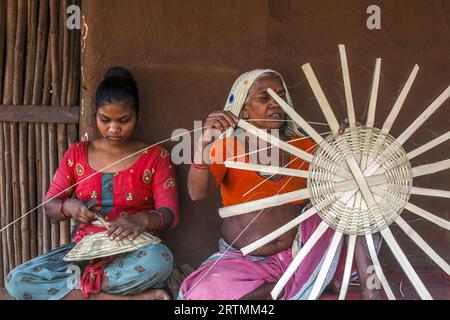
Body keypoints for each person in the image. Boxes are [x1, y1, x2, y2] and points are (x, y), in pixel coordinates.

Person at [179, 69, 382, 300]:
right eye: (264, 98)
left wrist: (347, 146)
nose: (275, 104)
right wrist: (205, 142)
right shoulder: (226, 148)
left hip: (298, 254)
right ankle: (293, 286)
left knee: (357, 199)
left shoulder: (305, 147)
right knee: (205, 292)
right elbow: (196, 193)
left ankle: (366, 290)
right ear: (243, 109)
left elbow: (347, 182)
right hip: (242, 261)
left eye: (280, 97)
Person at [5, 67, 179, 300]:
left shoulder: (155, 156)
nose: (113, 128)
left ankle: (81, 296)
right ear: (95, 115)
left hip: (133, 254)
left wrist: (142, 219)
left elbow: (170, 214)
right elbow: (50, 205)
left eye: (123, 120)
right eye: (105, 120)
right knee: (17, 281)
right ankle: (116, 298)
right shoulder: (77, 153)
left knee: (161, 259)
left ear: (139, 116)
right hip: (84, 256)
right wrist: (70, 207)